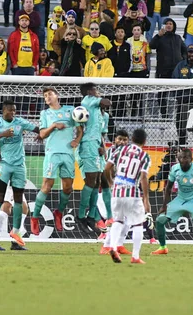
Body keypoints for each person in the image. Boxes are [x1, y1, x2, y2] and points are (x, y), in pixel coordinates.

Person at [0, 100, 39, 248]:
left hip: (20, 166)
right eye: (10, 110)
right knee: (0, 199)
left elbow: (38, 129)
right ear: (3, 110)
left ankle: (15, 232)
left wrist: (46, 132)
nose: (13, 113)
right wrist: (3, 134)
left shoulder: (20, 122)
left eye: (14, 110)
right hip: (4, 167)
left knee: (19, 199)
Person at [30, 87, 83, 236]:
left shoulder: (70, 110)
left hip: (67, 153)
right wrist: (53, 126)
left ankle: (59, 213)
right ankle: (35, 217)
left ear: (57, 95)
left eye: (49, 94)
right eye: (45, 96)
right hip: (52, 153)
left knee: (67, 188)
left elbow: (80, 129)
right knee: (47, 186)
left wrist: (77, 140)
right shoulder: (45, 113)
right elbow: (42, 134)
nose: (47, 97)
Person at [152, 148, 193, 257]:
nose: (183, 159)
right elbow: (168, 188)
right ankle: (163, 247)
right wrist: (164, 206)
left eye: (186, 157)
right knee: (159, 220)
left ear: (191, 159)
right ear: (178, 158)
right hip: (180, 199)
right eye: (181, 157)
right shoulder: (174, 169)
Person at [103, 128, 151, 264]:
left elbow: (106, 168)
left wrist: (112, 182)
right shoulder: (144, 156)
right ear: (145, 141)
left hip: (116, 191)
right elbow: (143, 177)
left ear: (132, 139)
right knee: (137, 224)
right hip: (132, 193)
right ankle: (135, 256)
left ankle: (112, 247)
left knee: (117, 221)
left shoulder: (119, 150)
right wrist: (146, 199)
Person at [76, 82, 111, 234]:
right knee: (91, 180)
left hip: (96, 146)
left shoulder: (102, 114)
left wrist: (104, 148)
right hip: (87, 144)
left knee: (97, 181)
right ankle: (80, 215)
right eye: (96, 89)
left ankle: (91, 216)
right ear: (90, 91)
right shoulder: (88, 100)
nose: (98, 92)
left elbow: (102, 134)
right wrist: (101, 99)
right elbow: (107, 102)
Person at [99, 130, 133, 255]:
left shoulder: (130, 153)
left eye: (125, 139)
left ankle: (119, 244)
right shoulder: (111, 152)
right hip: (115, 189)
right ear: (115, 140)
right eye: (120, 139)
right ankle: (106, 245)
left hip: (127, 188)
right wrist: (110, 183)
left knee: (128, 218)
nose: (122, 142)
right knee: (116, 218)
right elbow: (106, 169)